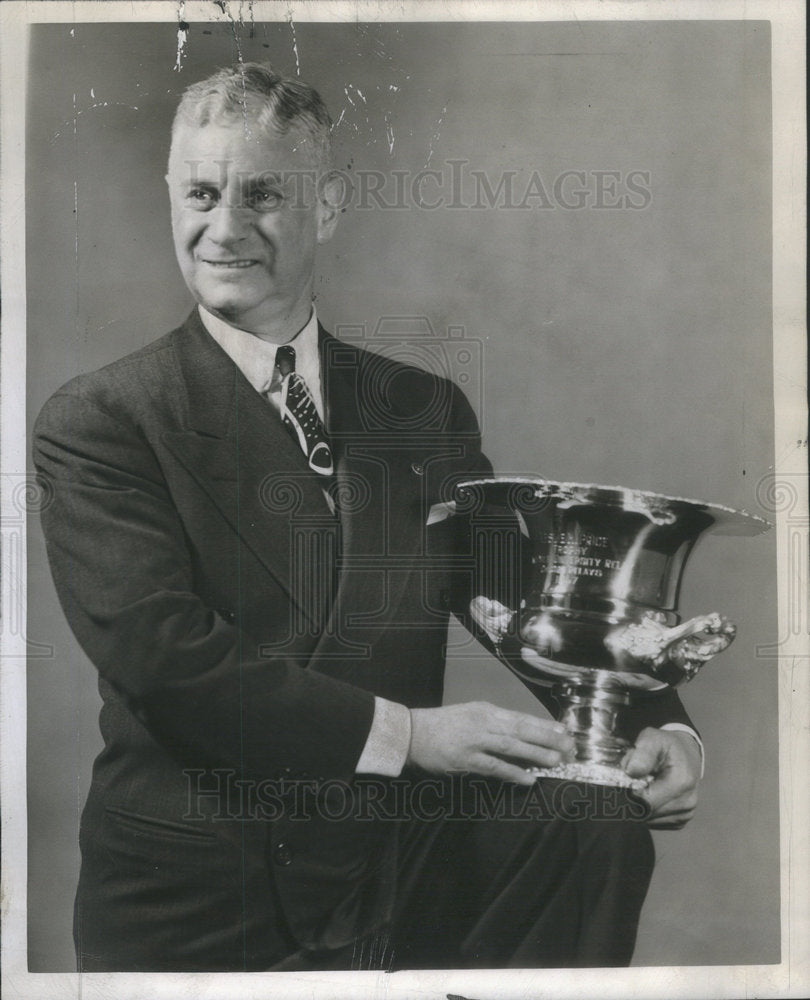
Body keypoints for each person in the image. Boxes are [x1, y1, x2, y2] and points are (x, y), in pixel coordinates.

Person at [33, 62, 703, 973]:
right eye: (200, 193)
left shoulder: (422, 411)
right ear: (171, 199)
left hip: (388, 857)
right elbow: (166, 658)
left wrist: (654, 726)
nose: (223, 228)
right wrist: (415, 737)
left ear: (330, 207)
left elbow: (518, 592)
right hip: (208, 896)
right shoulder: (103, 419)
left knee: (597, 824)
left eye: (262, 194)